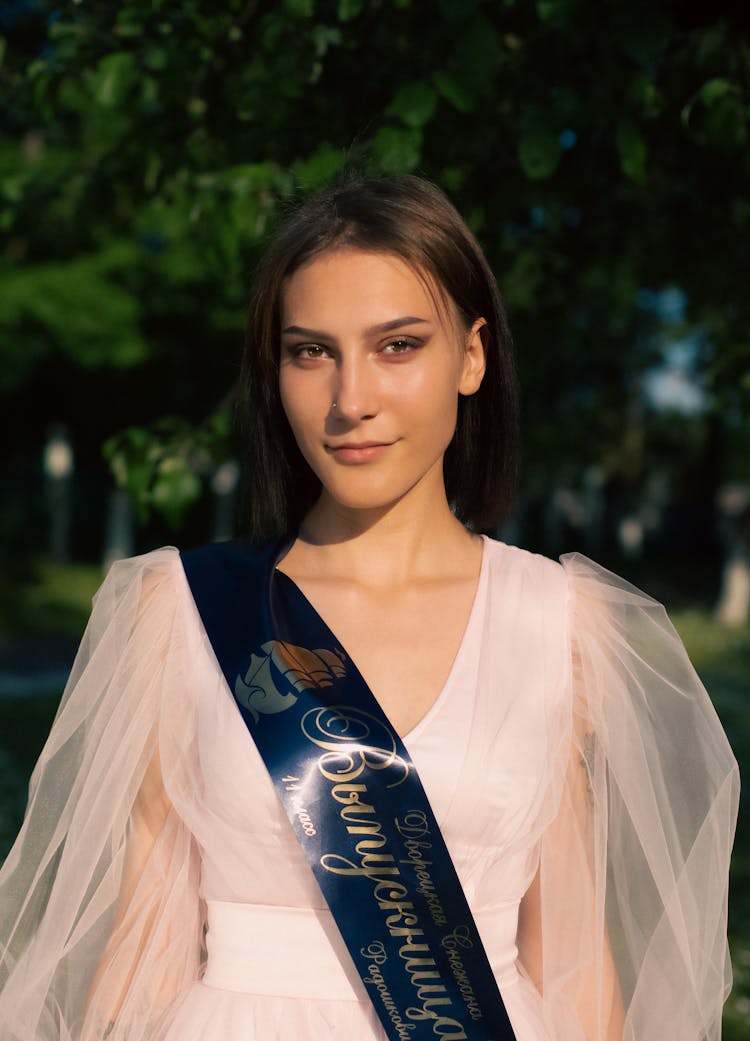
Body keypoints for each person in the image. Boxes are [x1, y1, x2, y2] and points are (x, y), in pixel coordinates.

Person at [0, 175, 739, 1041]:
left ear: (472, 357)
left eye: (397, 345)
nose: (351, 400)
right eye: (311, 352)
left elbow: (572, 952)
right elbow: (145, 938)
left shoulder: (564, 622)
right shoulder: (185, 611)